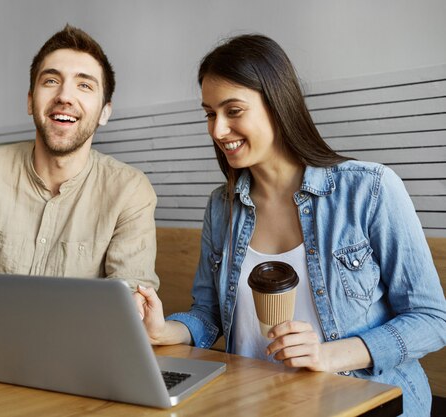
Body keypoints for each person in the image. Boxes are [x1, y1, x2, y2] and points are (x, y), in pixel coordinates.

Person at [137, 34, 446, 416]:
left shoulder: (370, 188)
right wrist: (163, 331)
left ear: (277, 104)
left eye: (233, 110)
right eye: (209, 113)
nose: (217, 130)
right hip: (253, 403)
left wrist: (327, 354)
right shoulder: (221, 206)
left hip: (365, 404)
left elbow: (431, 319)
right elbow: (209, 314)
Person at [0, 25, 159, 369]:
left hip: (75, 366)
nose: (65, 96)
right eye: (51, 80)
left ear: (105, 112)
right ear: (30, 101)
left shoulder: (130, 190)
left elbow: (130, 298)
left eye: (84, 85)